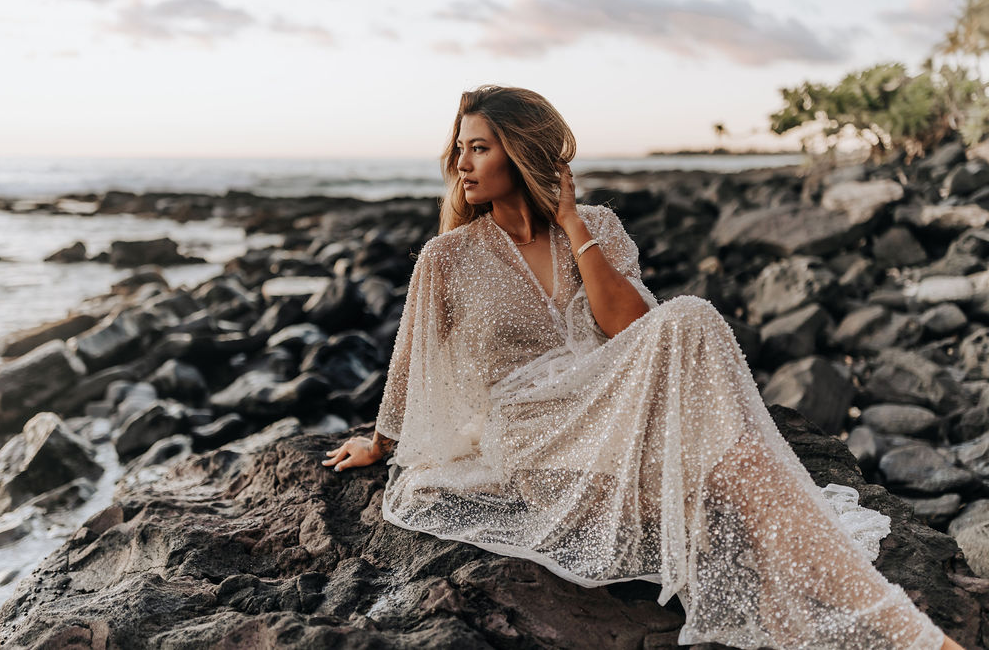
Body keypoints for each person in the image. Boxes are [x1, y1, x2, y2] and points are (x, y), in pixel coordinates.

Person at [322, 85, 965, 649]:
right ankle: (906, 635)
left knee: (693, 336)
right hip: (531, 428)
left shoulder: (596, 225)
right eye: (459, 148)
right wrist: (381, 442)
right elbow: (410, 363)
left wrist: (572, 221)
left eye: (480, 148)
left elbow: (630, 326)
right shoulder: (447, 258)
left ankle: (877, 625)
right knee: (732, 470)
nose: (460, 163)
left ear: (523, 152)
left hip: (611, 400)